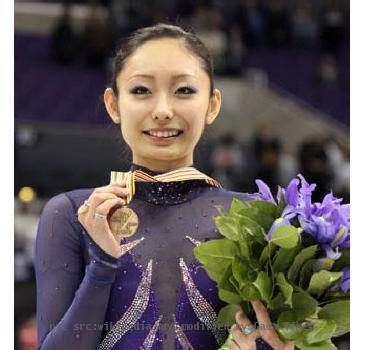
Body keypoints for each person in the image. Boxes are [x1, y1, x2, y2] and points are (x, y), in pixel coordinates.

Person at [34, 24, 294, 350]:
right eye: (141, 90)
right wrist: (102, 265)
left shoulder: (252, 216)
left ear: (212, 105)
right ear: (113, 104)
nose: (162, 111)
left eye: (184, 90)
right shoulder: (73, 215)